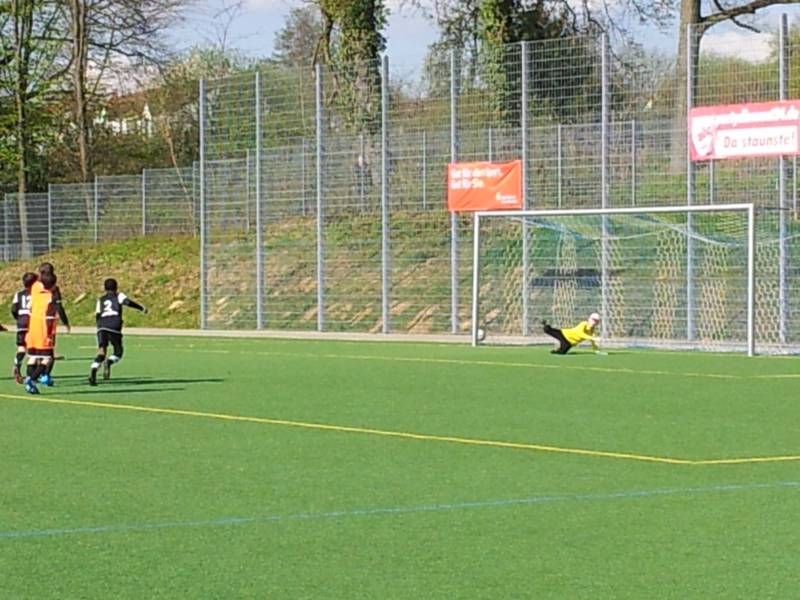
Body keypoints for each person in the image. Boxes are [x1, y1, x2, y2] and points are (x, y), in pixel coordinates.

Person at [88, 278, 147, 386]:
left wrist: (100, 327)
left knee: (101, 352)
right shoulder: (119, 295)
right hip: (114, 326)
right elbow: (127, 302)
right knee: (118, 351)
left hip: (102, 327)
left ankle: (94, 368)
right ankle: (109, 362)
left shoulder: (100, 299)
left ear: (105, 288)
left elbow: (97, 315)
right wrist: (141, 308)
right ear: (116, 287)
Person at [23, 271, 59, 394]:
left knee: (32, 357)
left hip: (32, 331)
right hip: (43, 334)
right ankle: (31, 380)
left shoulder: (35, 289)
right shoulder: (51, 299)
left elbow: (36, 280)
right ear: (53, 285)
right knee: (47, 359)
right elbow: (49, 320)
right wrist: (49, 335)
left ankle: (30, 383)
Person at [11, 272, 38, 383]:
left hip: (21, 323)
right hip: (33, 324)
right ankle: (32, 374)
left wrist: (18, 318)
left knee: (21, 349)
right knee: (34, 349)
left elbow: (13, 309)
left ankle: (17, 364)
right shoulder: (37, 294)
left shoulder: (18, 294)